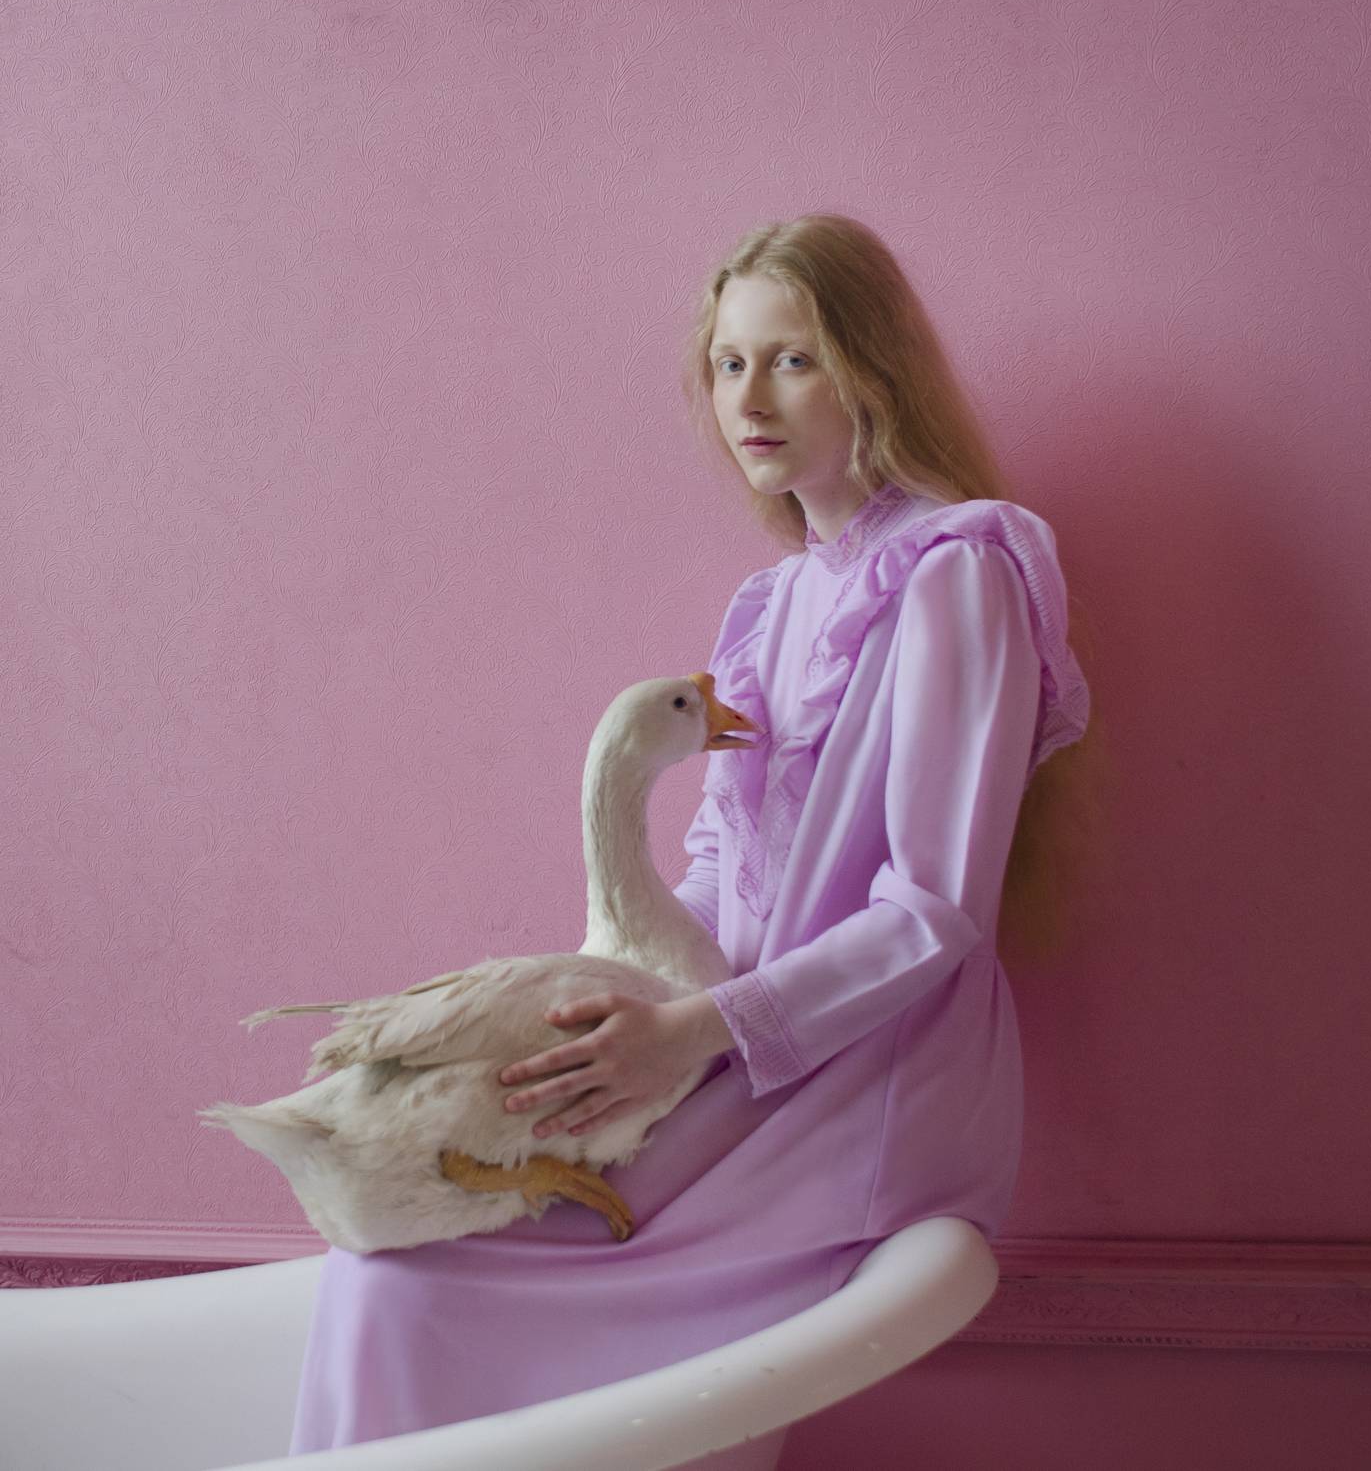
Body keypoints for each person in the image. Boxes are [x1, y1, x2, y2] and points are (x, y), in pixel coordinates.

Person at [287, 212, 1093, 1453]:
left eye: (793, 359)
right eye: (728, 364)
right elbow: (723, 863)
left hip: (869, 1086)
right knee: (385, 1272)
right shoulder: (770, 603)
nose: (749, 399)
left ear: (871, 371)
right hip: (726, 1058)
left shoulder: (956, 574)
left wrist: (692, 1032)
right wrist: (616, 1006)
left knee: (412, 1293)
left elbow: (934, 911)